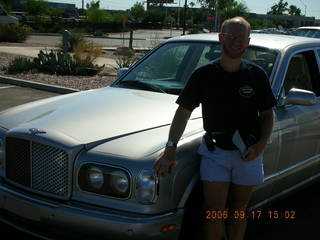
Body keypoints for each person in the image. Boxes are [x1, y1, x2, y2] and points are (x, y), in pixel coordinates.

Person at [153, 16, 276, 240]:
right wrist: (171, 148)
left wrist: (260, 145)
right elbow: (183, 112)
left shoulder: (256, 75)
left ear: (248, 41)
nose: (237, 41)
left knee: (239, 211)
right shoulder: (203, 75)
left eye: (242, 37)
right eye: (231, 36)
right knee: (214, 213)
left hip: (247, 153)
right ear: (221, 38)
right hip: (215, 152)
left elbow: (268, 114)